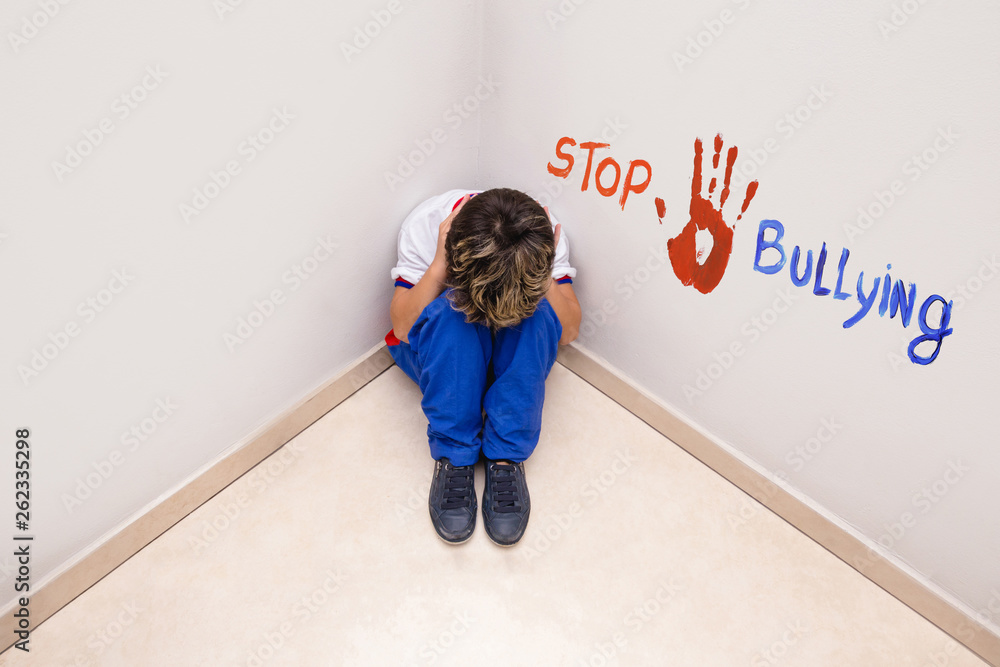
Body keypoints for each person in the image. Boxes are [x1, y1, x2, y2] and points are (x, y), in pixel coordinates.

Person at [385, 187, 581, 546]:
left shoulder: (539, 236)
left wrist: (544, 270)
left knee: (539, 315)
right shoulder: (424, 226)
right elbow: (401, 327)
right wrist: (439, 265)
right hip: (446, 355)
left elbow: (567, 331)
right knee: (449, 311)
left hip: (511, 353)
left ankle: (505, 454)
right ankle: (455, 453)